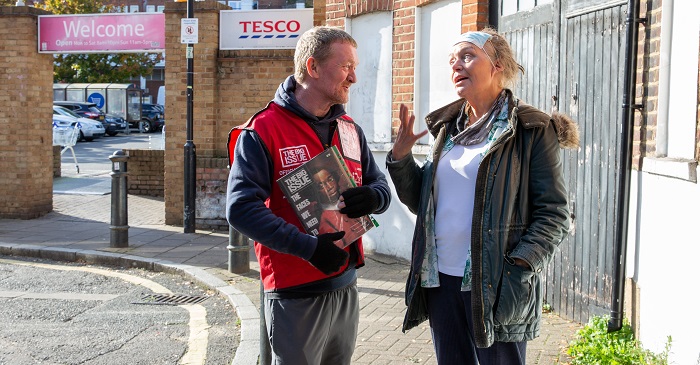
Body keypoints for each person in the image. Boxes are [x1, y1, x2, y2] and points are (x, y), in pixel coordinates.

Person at [386, 28, 578, 365]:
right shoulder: (448, 129)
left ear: (498, 65)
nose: (457, 65)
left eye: (467, 56)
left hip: (496, 281)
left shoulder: (531, 129)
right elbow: (425, 204)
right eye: (452, 60)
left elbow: (555, 213)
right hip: (440, 279)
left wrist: (520, 265)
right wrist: (401, 159)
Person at [226, 26, 391, 365]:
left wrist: (374, 198)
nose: (354, 77)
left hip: (345, 286)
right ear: (313, 68)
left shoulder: (349, 128)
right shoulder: (261, 130)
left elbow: (380, 185)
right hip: (295, 293)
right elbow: (240, 209)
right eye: (345, 67)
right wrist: (309, 248)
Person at [312, 168, 374, 248]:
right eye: (321, 185)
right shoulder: (324, 217)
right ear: (316, 191)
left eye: (330, 179)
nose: (329, 186)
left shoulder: (349, 197)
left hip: (357, 254)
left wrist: (378, 196)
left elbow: (377, 180)